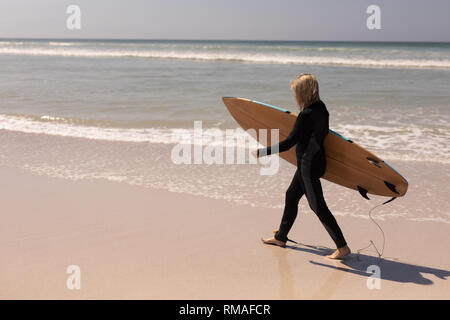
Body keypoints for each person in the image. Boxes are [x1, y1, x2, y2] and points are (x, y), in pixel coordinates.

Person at [256, 74, 351, 259]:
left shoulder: (306, 115)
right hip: (315, 162)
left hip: (308, 166)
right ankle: (281, 237)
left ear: (304, 92)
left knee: (318, 206)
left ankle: (342, 247)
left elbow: (289, 142)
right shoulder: (321, 108)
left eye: (296, 92)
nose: (295, 96)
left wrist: (264, 151)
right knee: (291, 195)